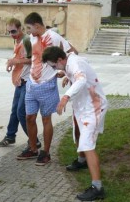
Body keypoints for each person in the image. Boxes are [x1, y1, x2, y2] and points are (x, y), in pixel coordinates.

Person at [42, 46, 107, 201]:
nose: (54, 69)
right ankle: (82, 161)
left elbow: (82, 78)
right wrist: (67, 75)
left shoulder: (74, 63)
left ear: (60, 60)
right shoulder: (71, 61)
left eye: (53, 65)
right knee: (78, 133)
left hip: (93, 107)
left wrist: (66, 97)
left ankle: (97, 187)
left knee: (87, 144)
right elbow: (84, 65)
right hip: (83, 107)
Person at [21, 12, 77, 165]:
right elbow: (34, 58)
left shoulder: (54, 37)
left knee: (46, 119)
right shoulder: (32, 38)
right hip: (31, 84)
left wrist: (64, 71)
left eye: (29, 28)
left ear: (37, 26)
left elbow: (72, 53)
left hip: (47, 84)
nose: (28, 31)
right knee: (29, 117)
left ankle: (45, 152)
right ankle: (33, 148)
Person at [0, 18, 37, 152]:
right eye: (9, 32)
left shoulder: (26, 40)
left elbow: (33, 60)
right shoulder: (17, 40)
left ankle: (34, 141)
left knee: (20, 112)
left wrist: (15, 61)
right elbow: (19, 59)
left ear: (20, 29)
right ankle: (10, 136)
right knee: (15, 111)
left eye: (13, 31)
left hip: (27, 81)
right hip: (20, 80)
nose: (11, 34)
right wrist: (12, 63)